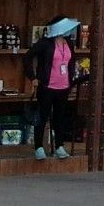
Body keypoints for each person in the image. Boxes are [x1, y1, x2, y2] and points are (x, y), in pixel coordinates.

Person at [28, 15, 80, 161]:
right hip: (47, 86)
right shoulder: (45, 43)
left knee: (60, 117)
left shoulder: (69, 43)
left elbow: (71, 62)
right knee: (42, 116)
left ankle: (59, 146)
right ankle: (38, 147)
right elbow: (28, 57)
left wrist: (71, 80)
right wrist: (33, 77)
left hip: (63, 86)